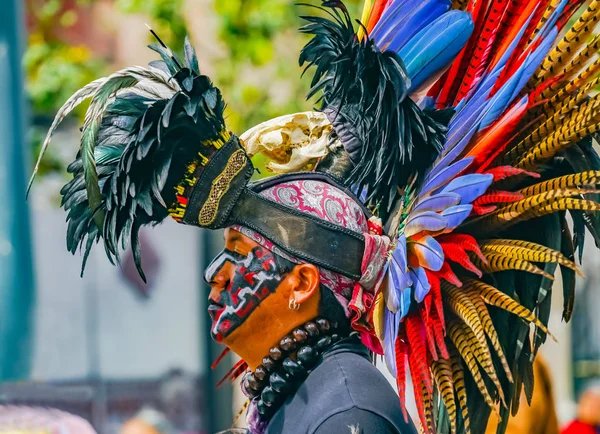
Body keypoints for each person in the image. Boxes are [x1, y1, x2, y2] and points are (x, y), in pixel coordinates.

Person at [31, 0, 600, 433]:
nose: (216, 273)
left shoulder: (347, 408)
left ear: (303, 282)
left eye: (240, 254)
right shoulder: (309, 396)